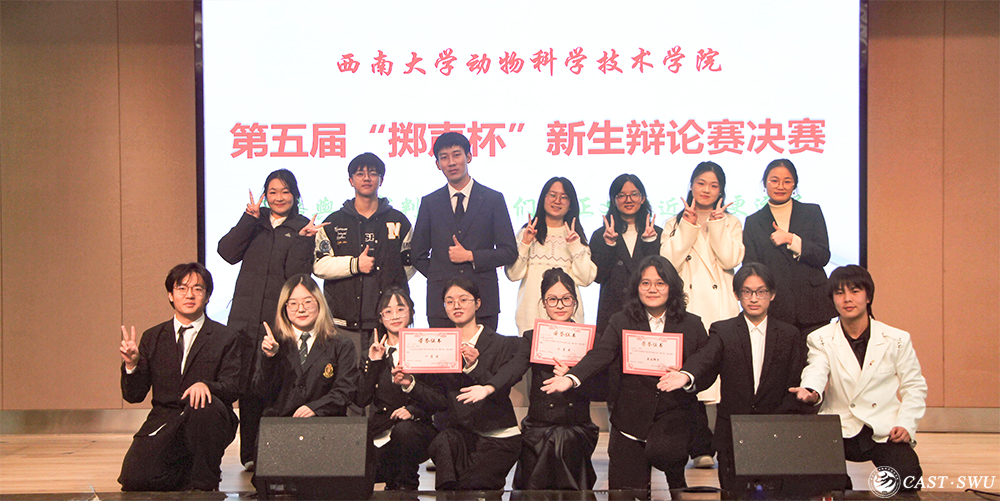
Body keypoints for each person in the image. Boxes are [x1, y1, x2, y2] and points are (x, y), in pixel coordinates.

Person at [541, 255, 708, 492]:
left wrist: (686, 378)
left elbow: (706, 366)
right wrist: (571, 378)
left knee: (669, 463)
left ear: (672, 286)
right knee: (622, 492)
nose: (652, 289)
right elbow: (602, 353)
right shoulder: (621, 321)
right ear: (636, 287)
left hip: (673, 417)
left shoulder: (692, 324)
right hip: (629, 419)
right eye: (645, 283)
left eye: (660, 283)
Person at [681, 263, 813, 495]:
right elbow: (705, 360)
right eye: (747, 292)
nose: (753, 298)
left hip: (774, 433)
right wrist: (686, 375)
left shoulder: (789, 334)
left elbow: (794, 381)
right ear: (737, 295)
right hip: (732, 433)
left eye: (761, 292)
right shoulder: (723, 331)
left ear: (772, 294)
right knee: (733, 495)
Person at [216, 168, 319, 470]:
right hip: (244, 320)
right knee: (248, 387)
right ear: (265, 195)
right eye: (272, 192)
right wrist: (247, 219)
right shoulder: (256, 222)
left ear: (295, 195)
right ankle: (250, 454)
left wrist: (304, 242)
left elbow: (297, 277)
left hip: (279, 321)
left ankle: (276, 451)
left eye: (285, 191)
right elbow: (226, 252)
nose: (279, 197)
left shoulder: (301, 227)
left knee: (276, 385)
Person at [791, 265, 927, 491]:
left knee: (907, 479)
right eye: (839, 293)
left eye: (855, 291)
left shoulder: (896, 339)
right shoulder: (820, 338)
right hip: (839, 426)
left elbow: (914, 386)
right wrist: (812, 390)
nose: (847, 299)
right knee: (827, 485)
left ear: (868, 296)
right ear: (832, 299)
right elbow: (817, 368)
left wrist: (905, 423)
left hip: (884, 428)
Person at [118, 263, 241, 491]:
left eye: (197, 289)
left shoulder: (225, 336)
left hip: (209, 419)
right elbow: (134, 395)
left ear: (207, 296)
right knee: (134, 479)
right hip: (166, 421)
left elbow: (233, 386)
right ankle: (184, 470)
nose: (189, 295)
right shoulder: (153, 336)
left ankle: (206, 483)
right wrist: (131, 364)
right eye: (182, 288)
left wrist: (206, 386)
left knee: (202, 404)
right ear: (170, 295)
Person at [660, 161, 745, 469]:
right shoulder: (674, 221)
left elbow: (731, 259)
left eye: (713, 185)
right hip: (688, 308)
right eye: (701, 183)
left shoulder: (731, 222)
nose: (706, 190)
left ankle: (728, 447)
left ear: (721, 190)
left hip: (721, 308)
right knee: (689, 377)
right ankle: (699, 447)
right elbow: (668, 262)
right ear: (691, 185)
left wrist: (718, 226)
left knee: (725, 380)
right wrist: (688, 225)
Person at [420, 277, 523, 490]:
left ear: (477, 303)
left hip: (497, 435)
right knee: (442, 443)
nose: (456, 305)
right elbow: (439, 399)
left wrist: (475, 367)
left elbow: (502, 388)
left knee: (471, 486)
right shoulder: (440, 345)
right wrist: (409, 383)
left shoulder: (501, 343)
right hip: (463, 434)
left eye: (463, 299)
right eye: (450, 301)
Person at [505, 267, 600, 490]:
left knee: (562, 439)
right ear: (543, 303)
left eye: (566, 299)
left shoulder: (590, 340)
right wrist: (489, 386)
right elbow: (514, 369)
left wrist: (573, 377)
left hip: (576, 425)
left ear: (575, 302)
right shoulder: (532, 337)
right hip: (539, 424)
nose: (559, 305)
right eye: (552, 299)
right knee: (552, 439)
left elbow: (601, 388)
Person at [411, 132, 517, 330]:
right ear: (438, 164)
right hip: (442, 303)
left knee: (485, 351)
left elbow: (509, 251)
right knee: (444, 351)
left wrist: (471, 256)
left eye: (456, 155)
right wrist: (443, 276)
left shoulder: (493, 199)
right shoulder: (430, 203)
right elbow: (417, 254)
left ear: (469, 157)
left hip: (483, 300)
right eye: (444, 157)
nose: (451, 162)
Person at [313, 152, 413, 358]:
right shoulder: (333, 222)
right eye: (360, 174)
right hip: (343, 323)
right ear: (351, 180)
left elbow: (409, 264)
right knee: (346, 376)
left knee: (390, 375)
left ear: (381, 180)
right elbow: (319, 266)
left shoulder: (399, 220)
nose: (366, 178)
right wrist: (355, 265)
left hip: (389, 323)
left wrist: (389, 278)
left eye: (373, 173)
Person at [356, 286, 446, 491]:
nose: (395, 316)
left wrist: (412, 410)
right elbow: (361, 399)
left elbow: (440, 400)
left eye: (400, 309)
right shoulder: (370, 353)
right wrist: (374, 362)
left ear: (411, 312)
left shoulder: (427, 347)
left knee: (404, 433)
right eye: (388, 311)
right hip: (380, 431)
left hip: (416, 429)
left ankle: (406, 490)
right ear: (380, 318)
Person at [588, 174, 661, 401]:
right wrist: (609, 244)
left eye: (634, 194)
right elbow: (598, 276)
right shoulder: (600, 235)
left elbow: (662, 275)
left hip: (647, 314)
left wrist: (650, 243)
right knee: (614, 380)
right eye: (621, 195)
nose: (628, 200)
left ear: (643, 198)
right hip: (612, 314)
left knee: (646, 376)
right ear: (613, 200)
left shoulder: (656, 232)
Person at [742, 159, 836, 333]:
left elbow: (823, 255)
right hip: (776, 307)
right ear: (765, 184)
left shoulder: (812, 212)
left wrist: (792, 240)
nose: (780, 186)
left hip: (813, 305)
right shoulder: (753, 222)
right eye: (774, 181)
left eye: (787, 181)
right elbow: (750, 266)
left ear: (794, 185)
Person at [253, 274, 358, 419]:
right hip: (281, 425)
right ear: (284, 307)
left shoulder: (341, 344)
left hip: (326, 424)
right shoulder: (273, 343)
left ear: (319, 303)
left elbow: (346, 390)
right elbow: (262, 392)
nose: (301, 309)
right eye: (293, 303)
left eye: (308, 302)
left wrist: (315, 408)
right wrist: (270, 357)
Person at [506, 177, 597, 335]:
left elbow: (585, 279)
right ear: (543, 198)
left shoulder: (575, 236)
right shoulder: (527, 232)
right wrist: (525, 243)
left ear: (571, 204)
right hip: (530, 320)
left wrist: (575, 246)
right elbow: (513, 274)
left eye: (564, 197)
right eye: (553, 195)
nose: (557, 201)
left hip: (568, 322)